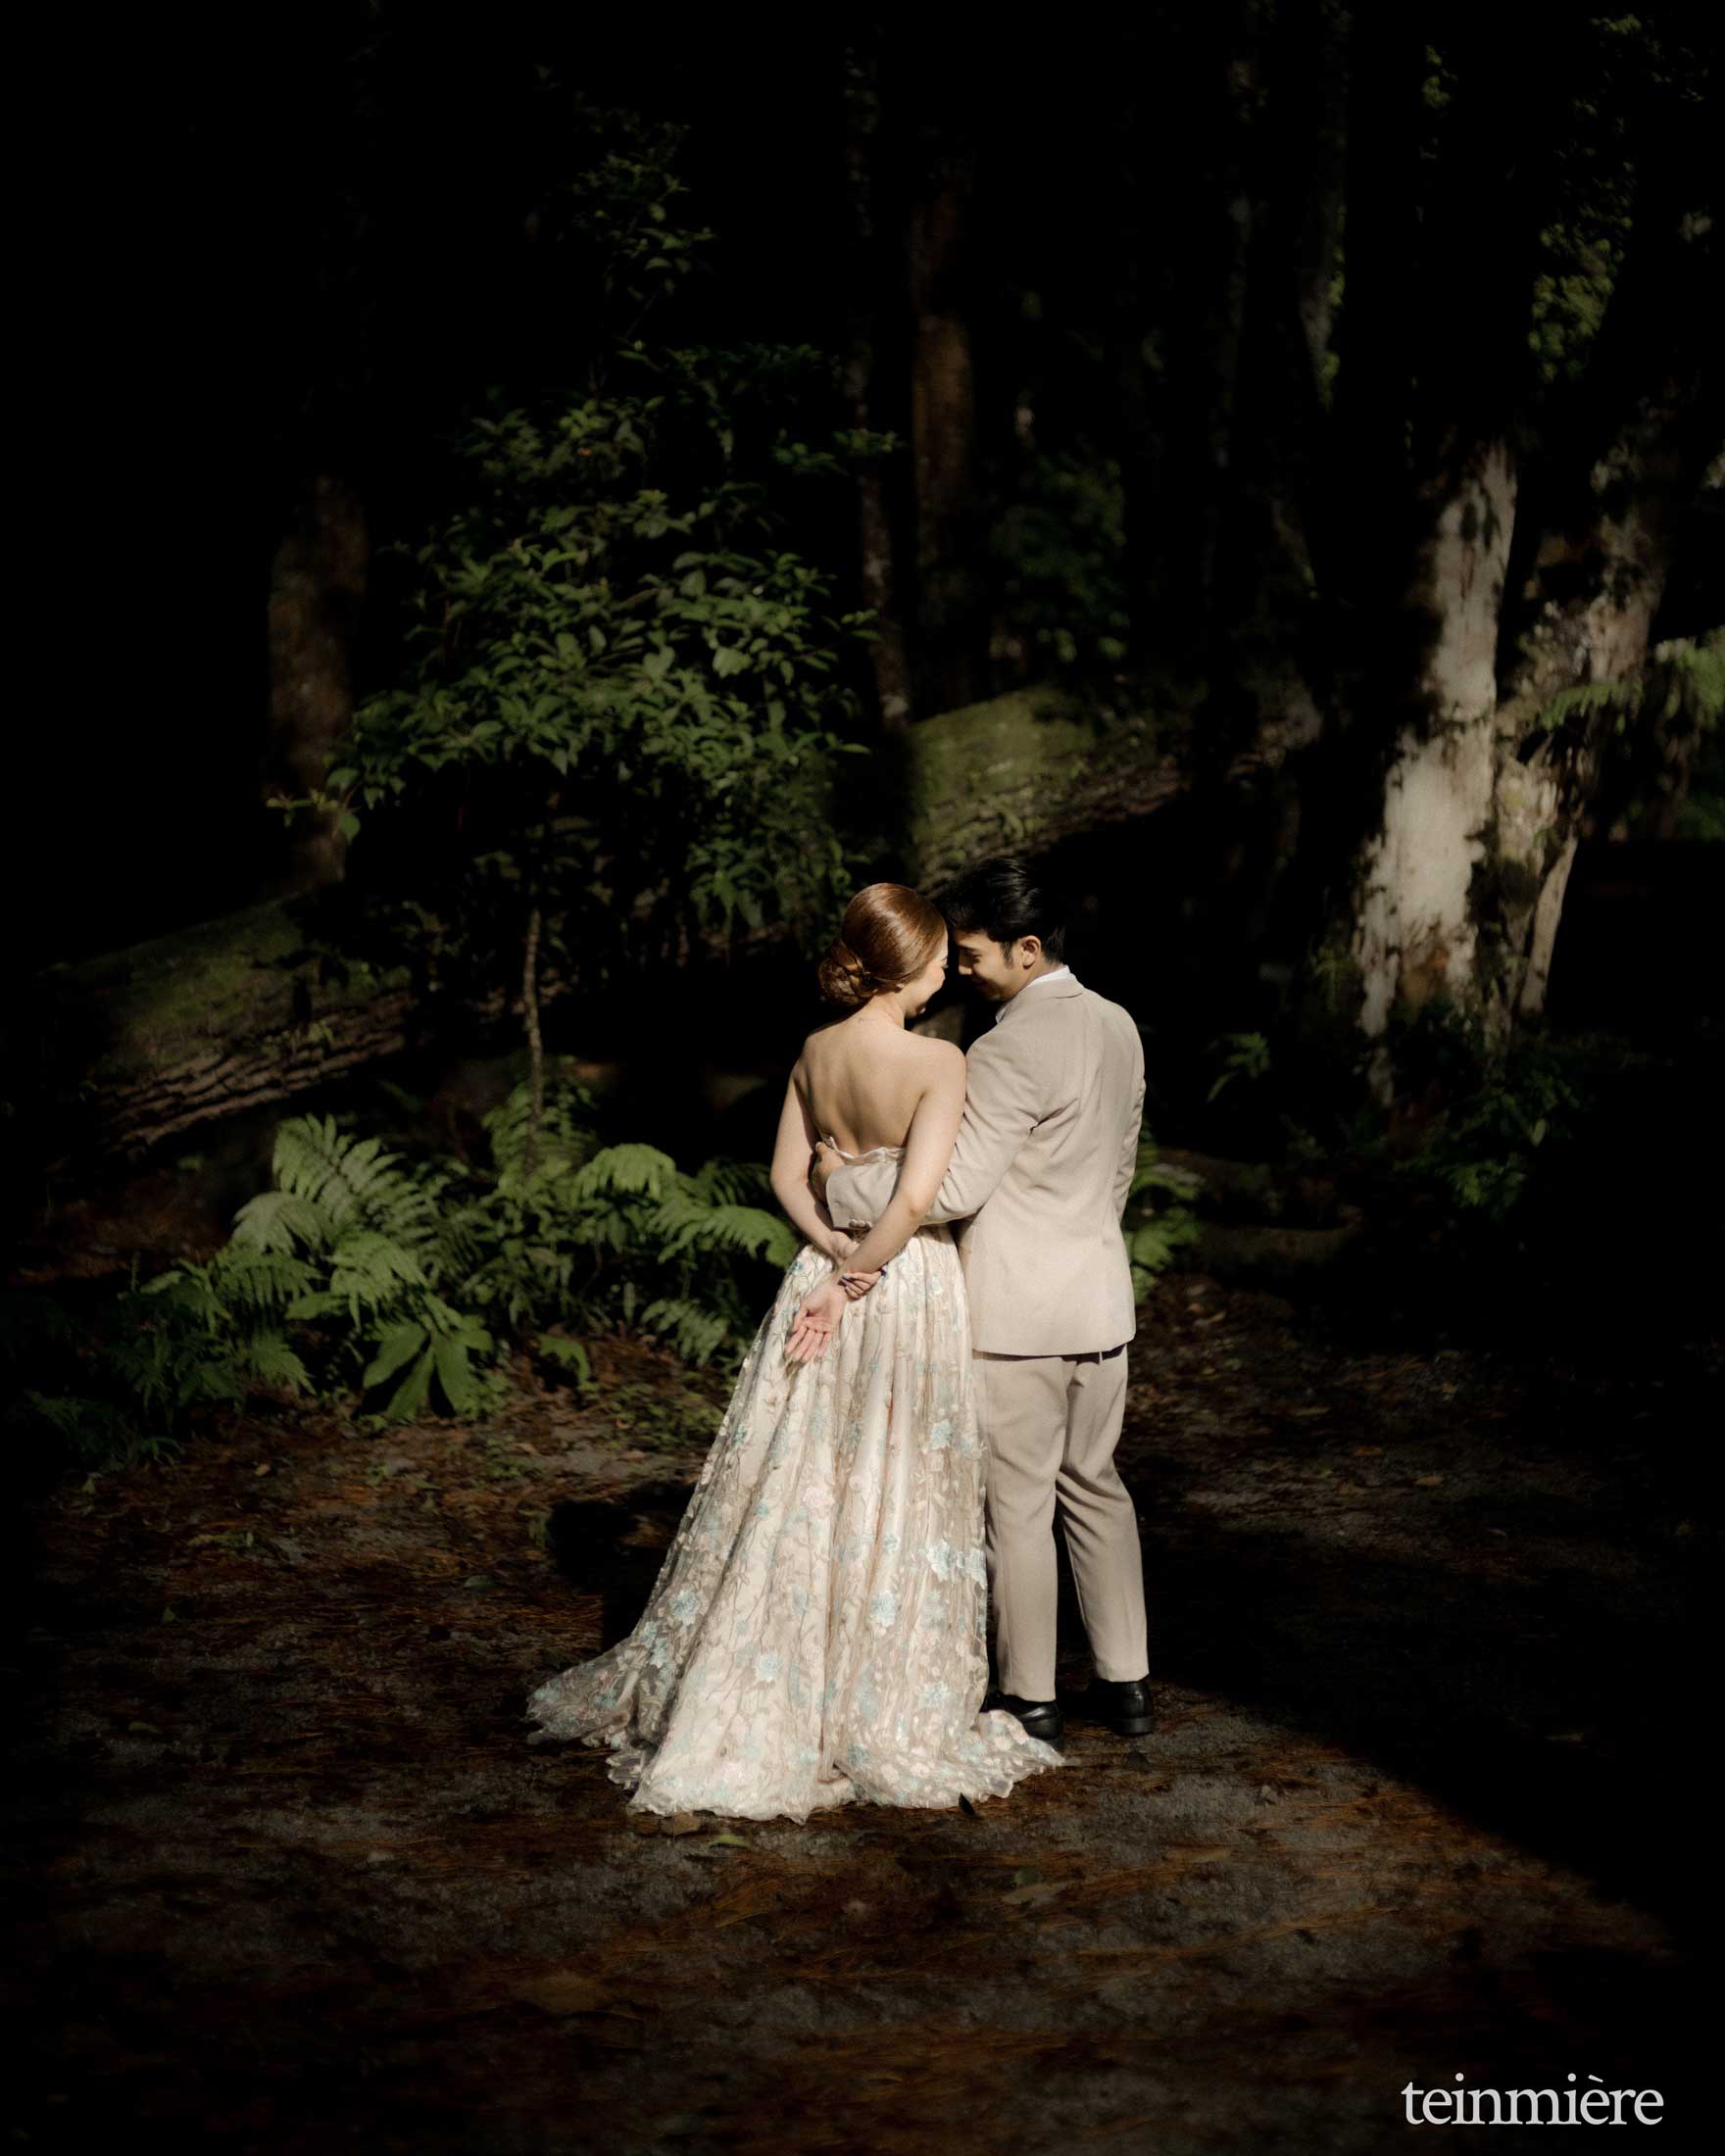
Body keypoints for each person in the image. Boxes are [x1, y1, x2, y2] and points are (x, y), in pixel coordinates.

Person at [522, 881, 1064, 1821]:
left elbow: (783, 1176)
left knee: (805, 1472)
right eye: (941, 957)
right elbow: (916, 1200)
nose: (948, 971)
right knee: (889, 1474)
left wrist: (830, 1255)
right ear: (912, 966)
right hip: (900, 1287)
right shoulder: (939, 1062)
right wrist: (858, 1278)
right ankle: (867, 1687)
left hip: (823, 1275)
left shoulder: (816, 1052)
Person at [810, 857, 1152, 1747]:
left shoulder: (1005, 1049)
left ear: (1027, 948)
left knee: (1019, 1507)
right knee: (1097, 1487)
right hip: (1100, 1300)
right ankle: (1127, 1683)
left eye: (971, 954)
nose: (960, 969)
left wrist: (841, 1181)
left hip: (1016, 1316)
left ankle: (1031, 1695)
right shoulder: (1120, 1026)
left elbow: (952, 1188)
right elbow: (1118, 1171)